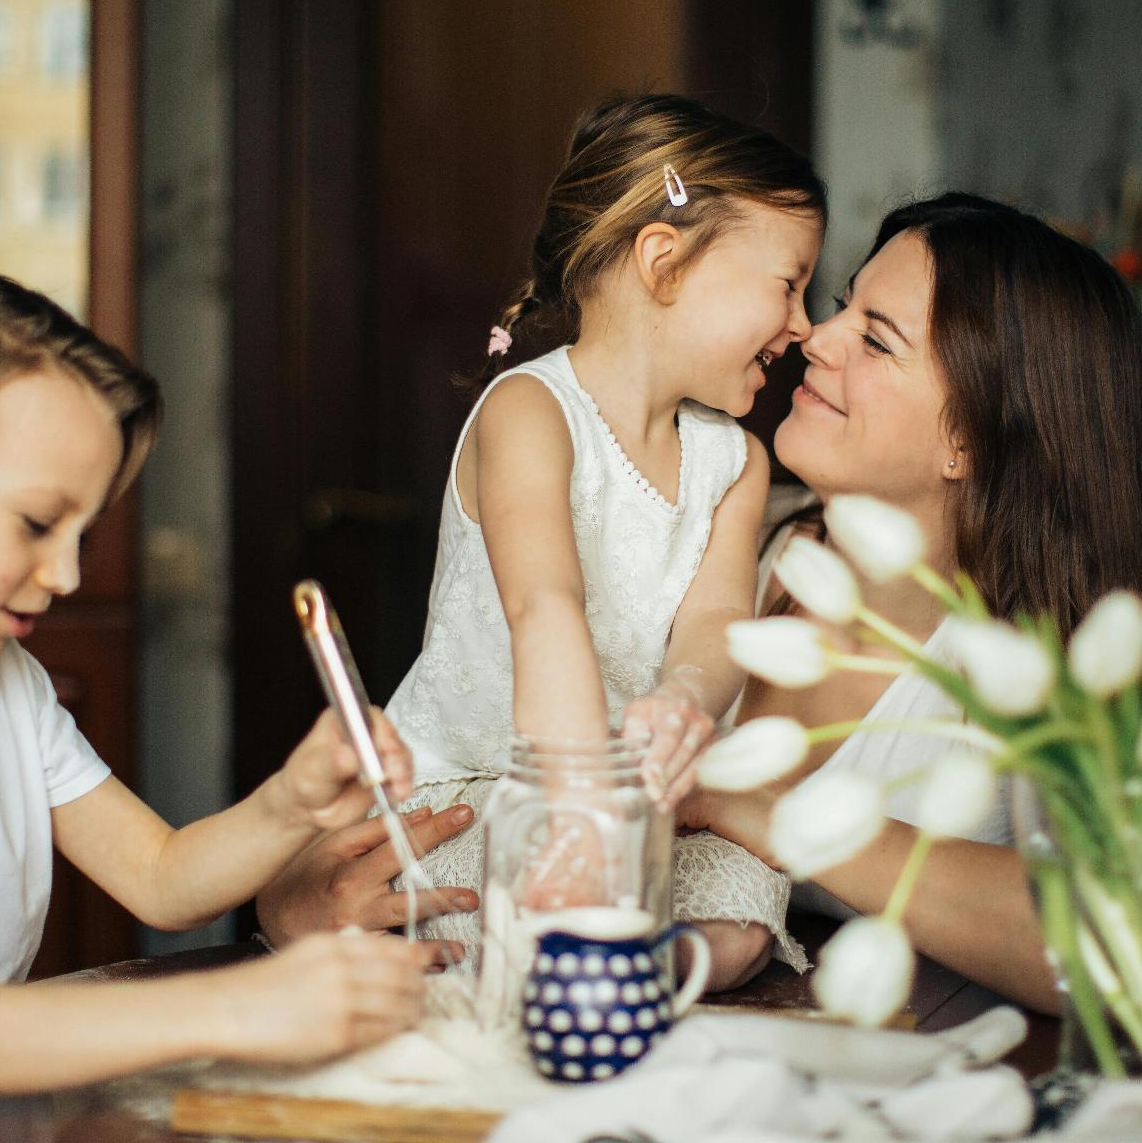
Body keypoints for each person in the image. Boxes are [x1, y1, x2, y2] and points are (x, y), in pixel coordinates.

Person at [0, 265, 438, 1098]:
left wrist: (292, 801)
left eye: (86, 529)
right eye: (38, 522)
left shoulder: (9, 686)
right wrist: (231, 1007)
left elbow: (158, 876)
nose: (68, 573)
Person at [367, 94, 826, 989]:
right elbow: (546, 609)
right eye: (789, 284)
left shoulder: (736, 461)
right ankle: (579, 958)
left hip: (629, 807)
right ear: (665, 263)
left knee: (744, 904)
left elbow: (719, 618)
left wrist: (689, 698)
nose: (804, 325)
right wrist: (578, 818)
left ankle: (629, 969)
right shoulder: (531, 412)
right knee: (514, 907)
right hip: (477, 790)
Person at [678, 192, 1142, 1014]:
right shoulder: (723, 535)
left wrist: (785, 817)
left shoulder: (1039, 668)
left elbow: (1112, 940)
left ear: (968, 437)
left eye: (876, 339)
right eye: (841, 306)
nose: (813, 338)